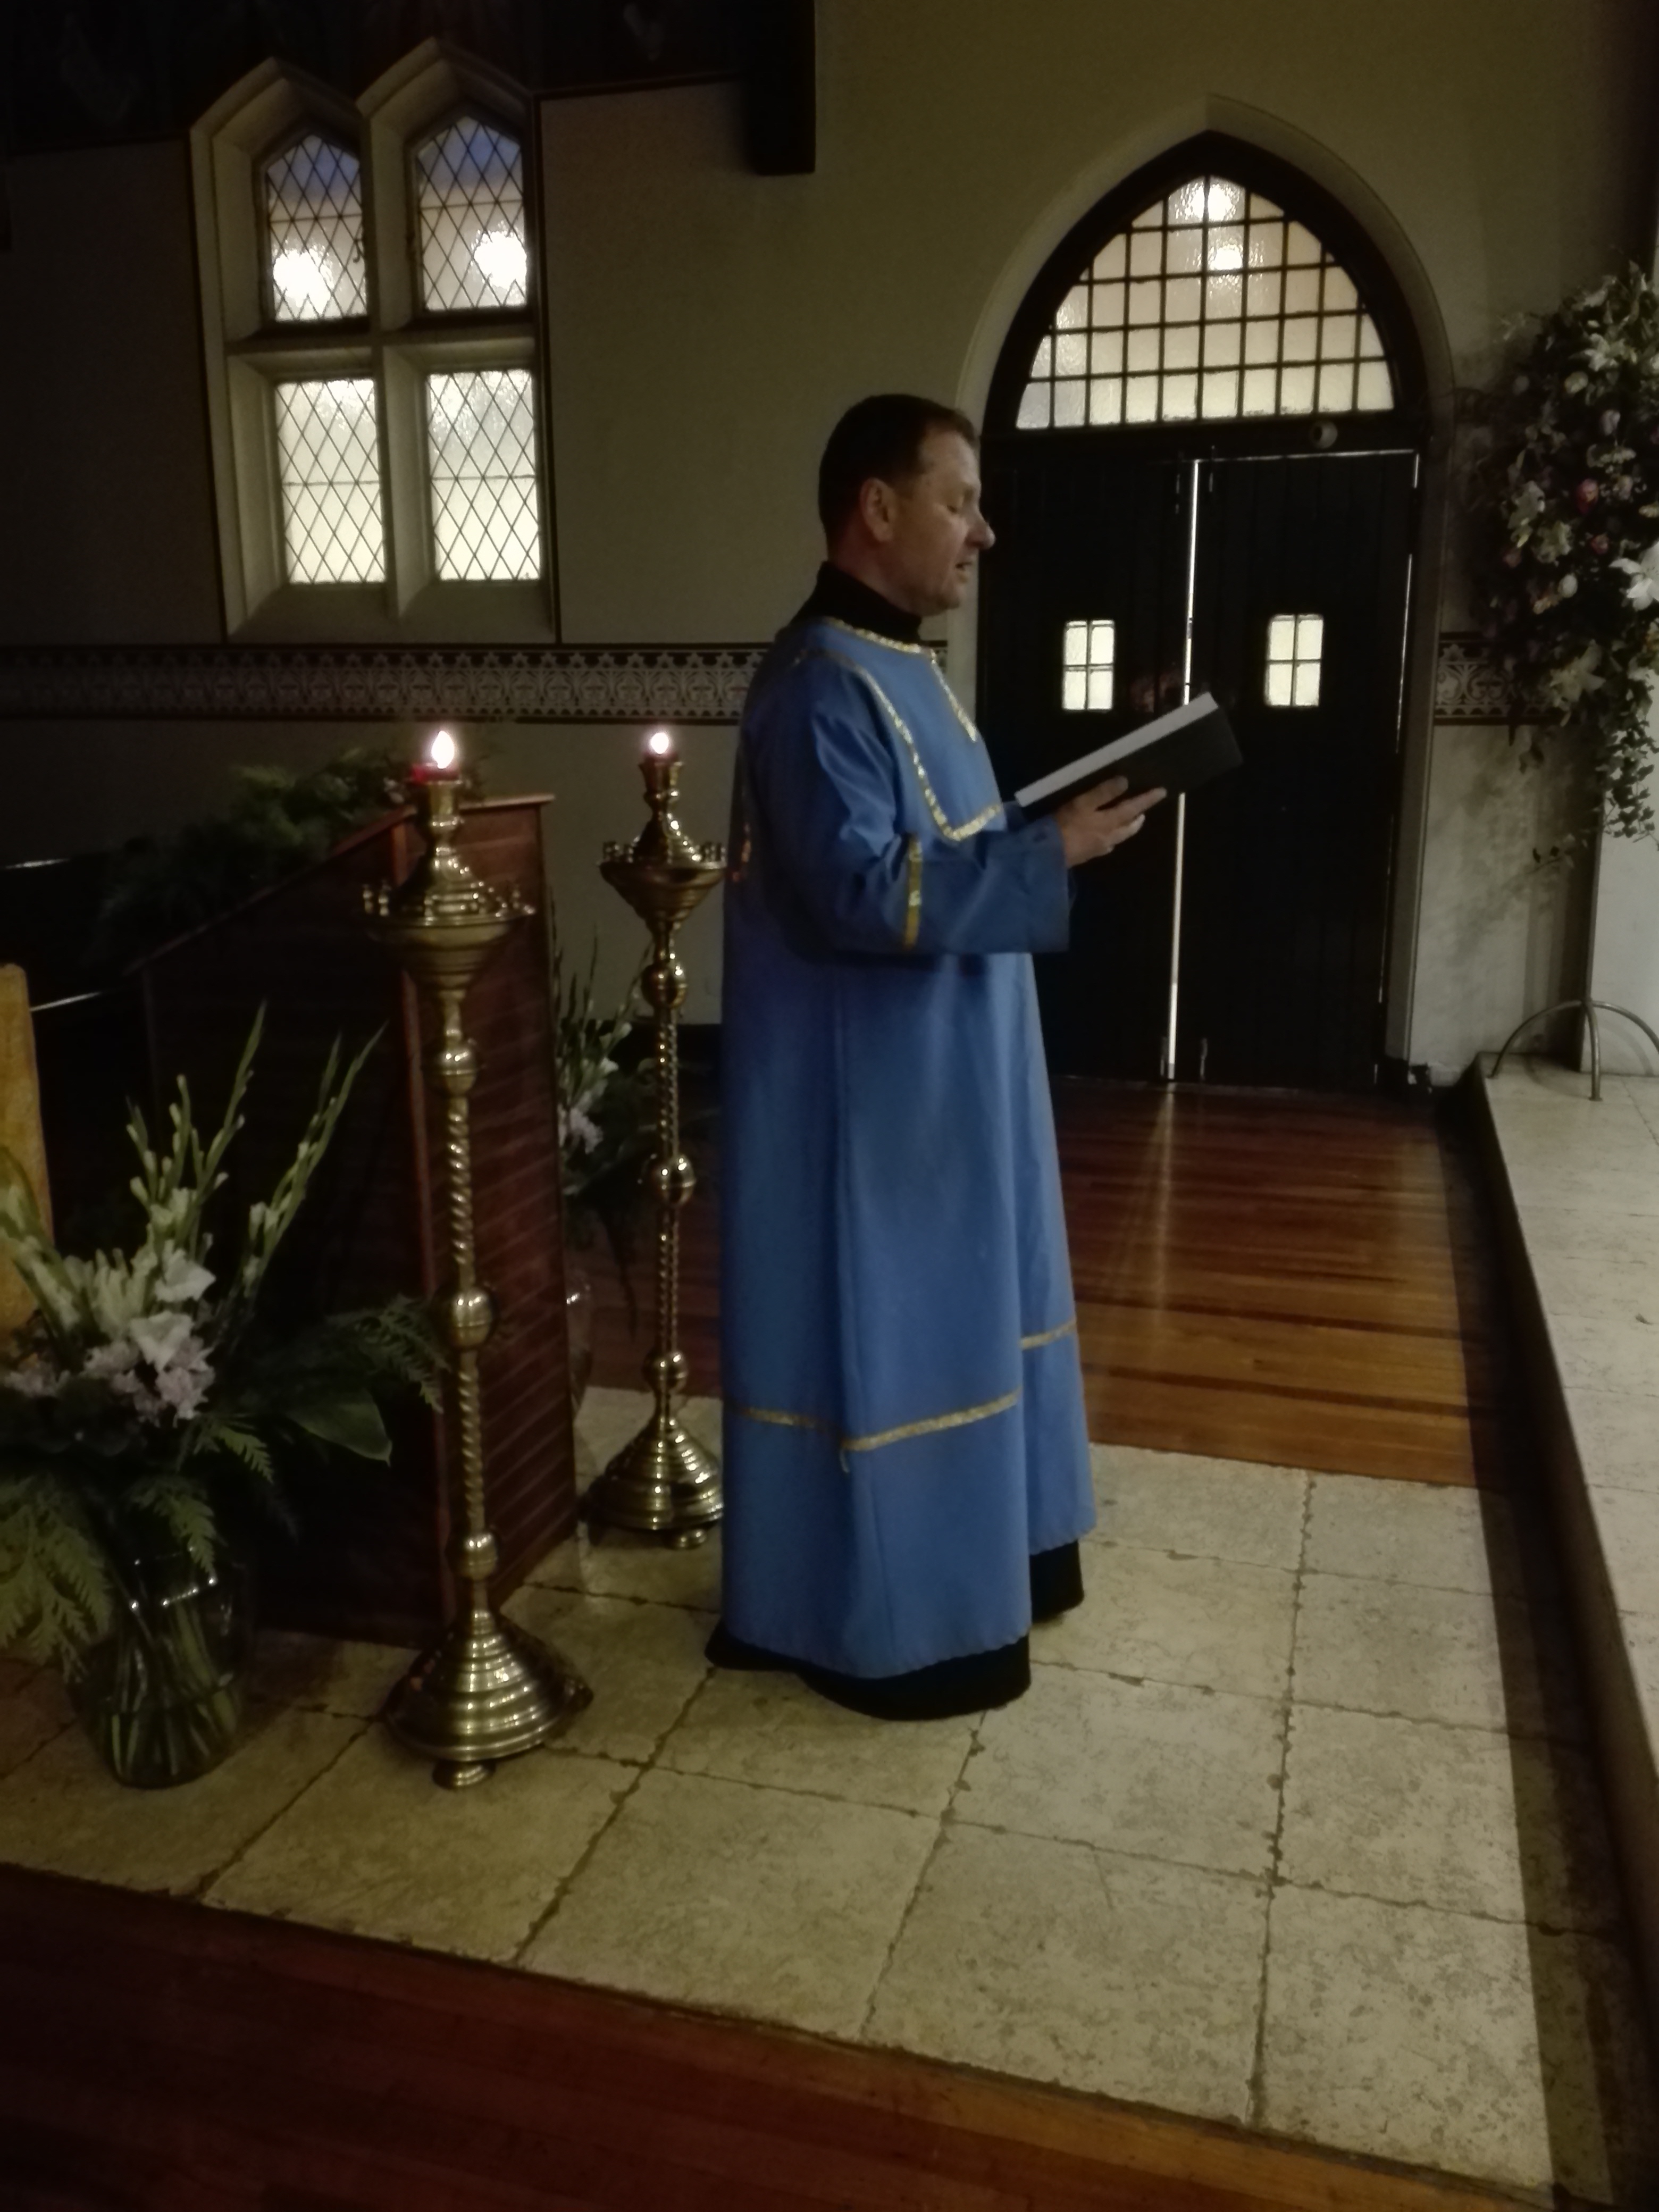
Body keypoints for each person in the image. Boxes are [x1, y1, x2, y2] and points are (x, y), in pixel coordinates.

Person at [709, 393, 1162, 1720]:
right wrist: (1046, 852)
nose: (983, 531)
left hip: (957, 1084)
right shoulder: (816, 687)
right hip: (872, 1107)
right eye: (959, 501)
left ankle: (999, 1558)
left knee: (972, 1309)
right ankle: (895, 1621)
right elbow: (862, 891)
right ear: (878, 507)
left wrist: (1046, 831)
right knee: (891, 1337)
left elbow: (946, 845)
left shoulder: (903, 668)